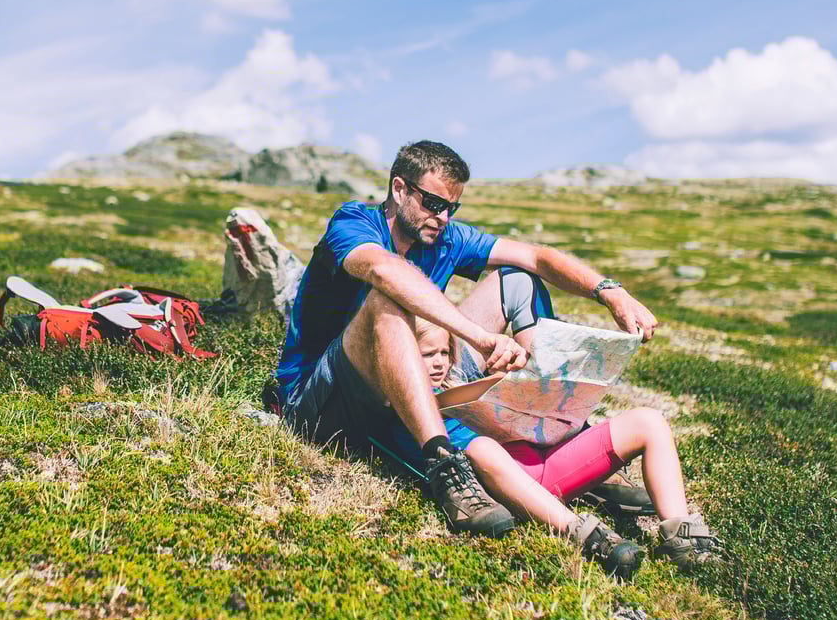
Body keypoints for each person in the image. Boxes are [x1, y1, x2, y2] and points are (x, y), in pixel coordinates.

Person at [273, 140, 657, 554]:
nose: (441, 217)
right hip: (319, 400)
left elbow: (536, 257)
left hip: (404, 380)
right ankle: (445, 466)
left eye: (451, 207)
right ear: (399, 189)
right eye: (434, 202)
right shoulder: (354, 222)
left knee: (517, 278)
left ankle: (551, 434)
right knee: (387, 297)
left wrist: (609, 291)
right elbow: (383, 270)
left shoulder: (444, 237)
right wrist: (478, 338)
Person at [416, 315, 720, 573]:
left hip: (547, 458)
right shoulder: (414, 404)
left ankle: (683, 539)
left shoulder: (458, 380)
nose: (439, 362)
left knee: (649, 421)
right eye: (428, 354)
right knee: (481, 448)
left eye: (445, 352)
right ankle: (583, 533)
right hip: (513, 482)